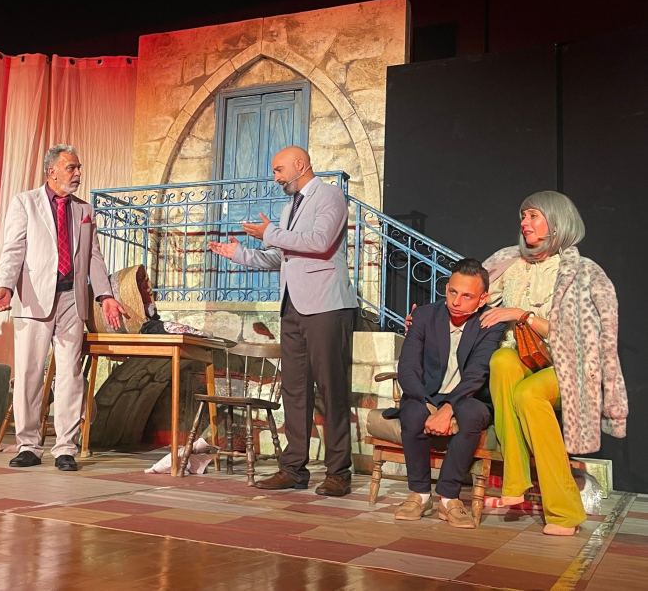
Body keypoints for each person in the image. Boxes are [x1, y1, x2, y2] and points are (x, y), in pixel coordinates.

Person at [209, 145, 357, 496]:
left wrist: (270, 233)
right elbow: (281, 256)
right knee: (295, 390)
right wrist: (240, 254)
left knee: (331, 388)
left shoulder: (330, 196)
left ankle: (339, 472)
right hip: (292, 307)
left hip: (326, 306)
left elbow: (319, 242)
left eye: (279, 170)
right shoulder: (290, 207)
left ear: (300, 165)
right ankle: (293, 468)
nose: (275, 177)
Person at [480, 191, 628, 536]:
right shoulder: (510, 263)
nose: (524, 222)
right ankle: (515, 479)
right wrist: (427, 318)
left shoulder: (579, 272)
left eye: (533, 215)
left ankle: (564, 512)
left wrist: (524, 316)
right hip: (523, 355)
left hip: (570, 367)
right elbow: (473, 297)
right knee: (501, 360)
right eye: (523, 215)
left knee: (529, 394)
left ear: (557, 223)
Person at [0, 144, 126, 472]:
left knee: (70, 376)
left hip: (71, 299)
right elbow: (13, 249)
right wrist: (5, 285)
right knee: (30, 374)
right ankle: (28, 445)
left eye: (78, 168)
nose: (78, 173)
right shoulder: (25, 202)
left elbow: (93, 256)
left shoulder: (84, 210)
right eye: (71, 168)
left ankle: (65, 447)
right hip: (34, 298)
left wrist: (105, 295)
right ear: (51, 171)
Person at [389, 259, 503, 528]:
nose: (456, 301)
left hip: (469, 396)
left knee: (472, 415)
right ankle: (419, 495)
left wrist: (448, 409)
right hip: (427, 395)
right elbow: (407, 367)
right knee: (412, 413)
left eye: (467, 296)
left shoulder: (490, 324)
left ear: (483, 299)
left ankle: (449, 498)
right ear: (446, 288)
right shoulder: (425, 316)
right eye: (453, 291)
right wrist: (430, 407)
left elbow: (477, 374)